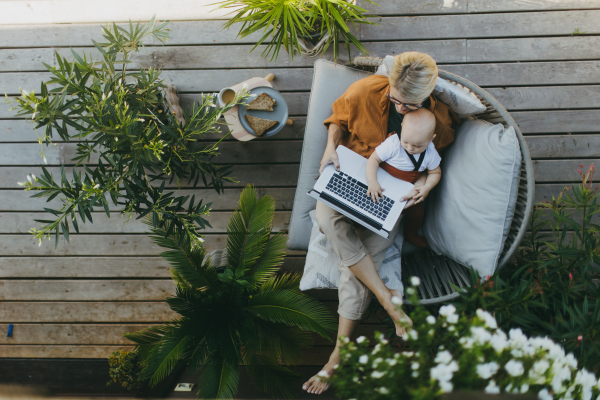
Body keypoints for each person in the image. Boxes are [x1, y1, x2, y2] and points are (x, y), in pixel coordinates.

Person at [302, 51, 459, 395]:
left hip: (392, 199)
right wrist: (331, 149)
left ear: (426, 96)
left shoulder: (436, 120)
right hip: (355, 172)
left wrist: (422, 186)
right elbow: (337, 119)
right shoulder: (365, 91)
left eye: (410, 104)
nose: (401, 108)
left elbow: (433, 164)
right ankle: (390, 301)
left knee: (357, 267)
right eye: (396, 99)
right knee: (329, 219)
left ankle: (337, 355)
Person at [366, 108, 442, 248]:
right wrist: (372, 182)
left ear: (431, 139)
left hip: (405, 192)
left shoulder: (430, 152)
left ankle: (410, 234)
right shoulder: (393, 144)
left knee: (417, 214)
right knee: (371, 205)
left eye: (418, 146)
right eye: (406, 141)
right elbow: (373, 160)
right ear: (402, 128)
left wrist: (427, 187)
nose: (410, 148)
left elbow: (435, 173)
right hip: (382, 187)